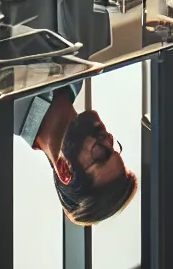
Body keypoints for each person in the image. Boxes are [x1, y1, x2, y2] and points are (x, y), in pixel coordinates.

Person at [9, 84, 140, 226]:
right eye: (113, 147)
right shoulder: (80, 76)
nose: (107, 139)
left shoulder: (6, 106)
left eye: (102, 154)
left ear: (65, 169)